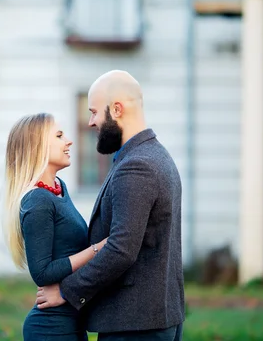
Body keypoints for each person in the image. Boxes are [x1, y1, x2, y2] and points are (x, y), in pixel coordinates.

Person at [35, 70, 185, 341]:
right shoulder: (156, 156)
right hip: (151, 320)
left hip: (135, 326)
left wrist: (66, 290)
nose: (91, 122)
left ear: (116, 109)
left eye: (94, 112)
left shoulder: (136, 166)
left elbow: (121, 250)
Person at [3, 112, 108, 340]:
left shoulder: (59, 188)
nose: (69, 141)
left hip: (72, 321)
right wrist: (98, 249)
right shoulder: (37, 200)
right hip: (51, 328)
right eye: (59, 136)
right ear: (37, 146)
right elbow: (42, 272)